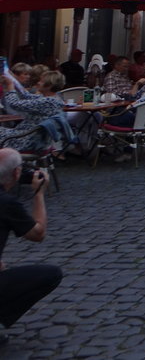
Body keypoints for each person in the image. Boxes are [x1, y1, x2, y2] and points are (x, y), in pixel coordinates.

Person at [0, 148, 61, 346]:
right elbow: (37, 233)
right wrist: (38, 194)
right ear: (17, 173)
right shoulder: (6, 203)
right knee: (50, 274)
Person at [0, 72, 66, 152]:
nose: (38, 83)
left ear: (49, 86)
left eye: (41, 81)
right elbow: (26, 95)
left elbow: (15, 104)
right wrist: (15, 81)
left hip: (27, 139)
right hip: (31, 136)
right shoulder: (52, 98)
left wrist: (10, 86)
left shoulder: (48, 102)